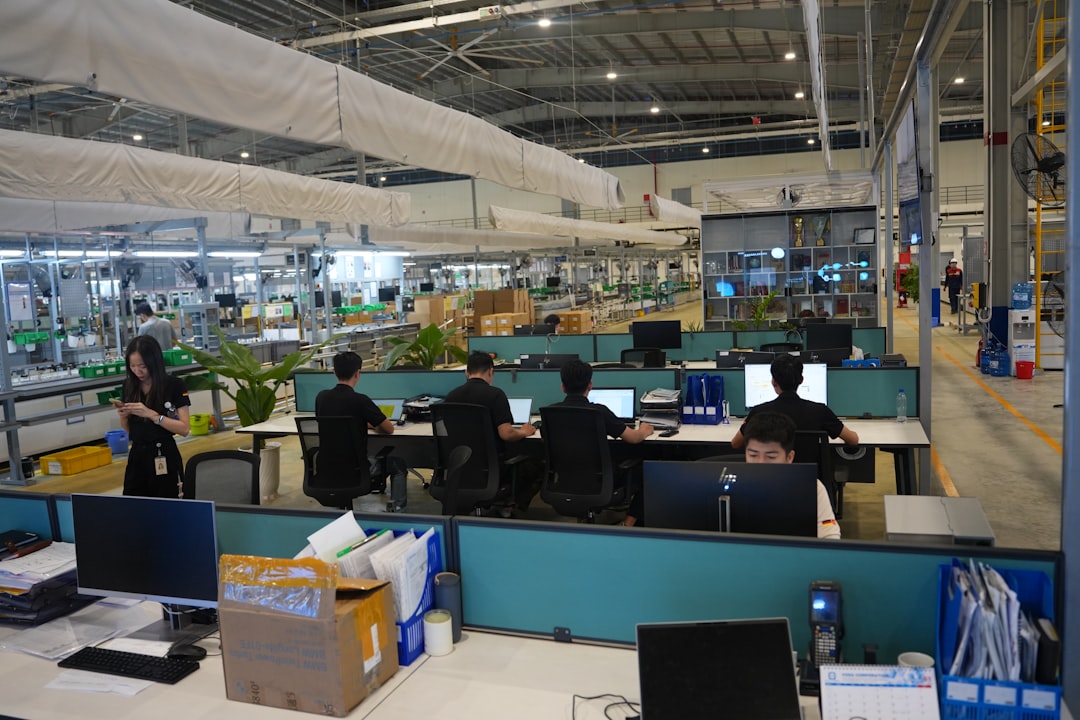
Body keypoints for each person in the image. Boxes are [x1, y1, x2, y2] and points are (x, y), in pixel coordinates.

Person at [549, 360, 654, 526]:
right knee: (650, 472)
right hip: (600, 482)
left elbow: (545, 440)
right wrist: (645, 430)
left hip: (565, 480)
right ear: (590, 385)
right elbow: (633, 438)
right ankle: (628, 523)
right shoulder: (599, 412)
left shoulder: (551, 412)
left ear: (562, 387)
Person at [315, 351, 409, 512]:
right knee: (398, 464)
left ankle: (340, 503)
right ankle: (397, 509)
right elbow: (389, 429)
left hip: (326, 467)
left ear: (334, 373)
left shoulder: (321, 397)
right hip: (355, 469)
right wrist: (371, 425)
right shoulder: (360, 400)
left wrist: (360, 423)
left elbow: (333, 421)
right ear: (358, 373)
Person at [446, 351, 538, 512]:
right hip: (492, 467)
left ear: (467, 372)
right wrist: (523, 432)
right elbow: (506, 434)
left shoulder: (451, 396)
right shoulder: (495, 395)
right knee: (536, 462)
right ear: (491, 371)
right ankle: (510, 504)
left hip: (461, 466)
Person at [742, 412, 840, 539]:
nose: (761, 463)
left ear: (789, 457)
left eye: (771, 457)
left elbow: (830, 536)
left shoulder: (811, 488)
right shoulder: (731, 486)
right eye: (753, 455)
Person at [730, 354, 859, 451]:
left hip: (771, 480)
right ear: (801, 380)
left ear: (773, 382)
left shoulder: (759, 413)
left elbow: (735, 443)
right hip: (808, 480)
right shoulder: (820, 411)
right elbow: (853, 440)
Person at [116, 335, 191, 497]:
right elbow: (130, 430)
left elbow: (184, 428)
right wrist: (123, 415)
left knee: (167, 505)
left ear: (154, 362)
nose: (138, 371)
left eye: (142, 366)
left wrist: (153, 416)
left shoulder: (174, 385)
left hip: (163, 453)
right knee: (134, 505)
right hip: (137, 456)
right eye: (133, 366)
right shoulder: (129, 386)